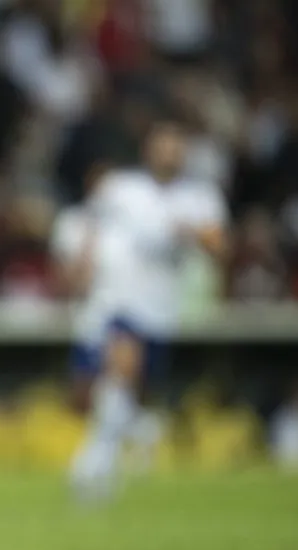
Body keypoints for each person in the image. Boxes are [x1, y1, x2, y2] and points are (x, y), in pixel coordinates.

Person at [63, 121, 227, 499]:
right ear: (147, 150)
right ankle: (96, 466)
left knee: (121, 392)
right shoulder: (122, 188)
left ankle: (119, 446)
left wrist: (193, 234)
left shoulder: (200, 197)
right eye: (162, 145)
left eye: (175, 145)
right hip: (116, 300)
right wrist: (83, 270)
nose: (168, 152)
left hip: (162, 309)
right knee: (103, 382)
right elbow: (92, 226)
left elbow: (220, 247)